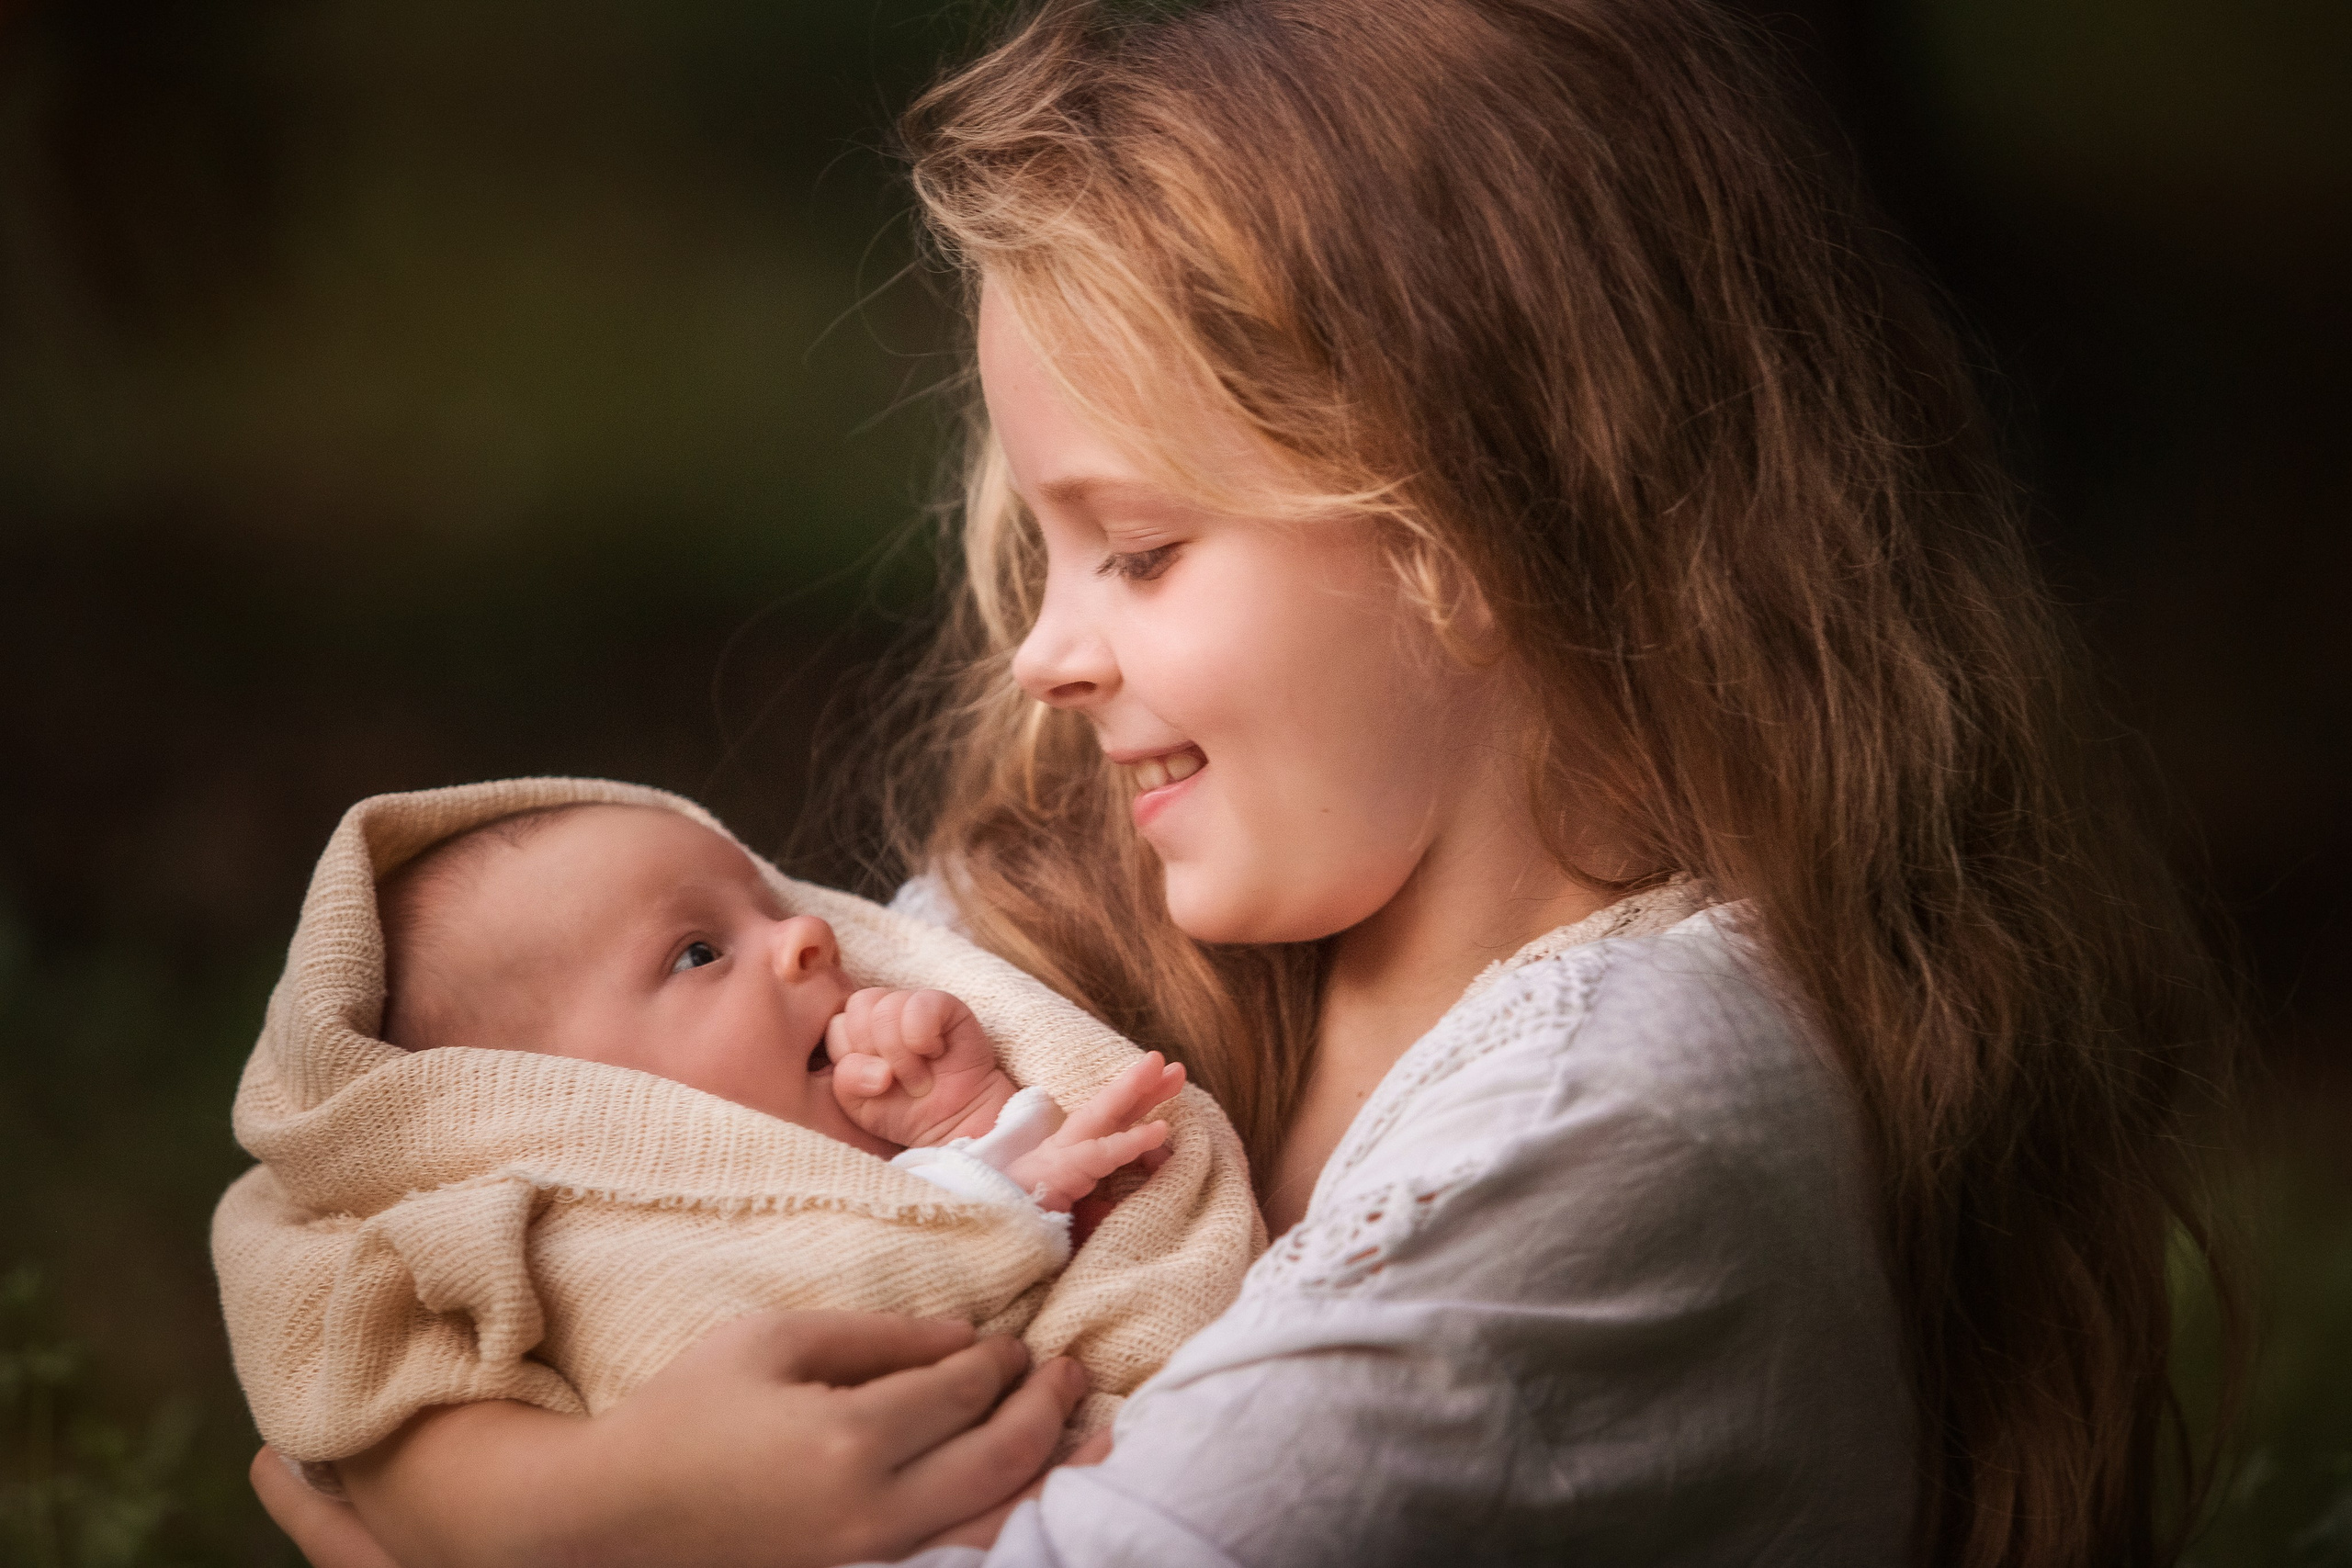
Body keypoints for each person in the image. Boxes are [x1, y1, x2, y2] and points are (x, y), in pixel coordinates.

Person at [252, 1, 2244, 1564]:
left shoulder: (1626, 1114)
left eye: (1137, 549)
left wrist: (479, 1525)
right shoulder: (1098, 912)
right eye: (1049, 551)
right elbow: (400, 1197)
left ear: (1475, 521)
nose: (1043, 654)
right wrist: (554, 1506)